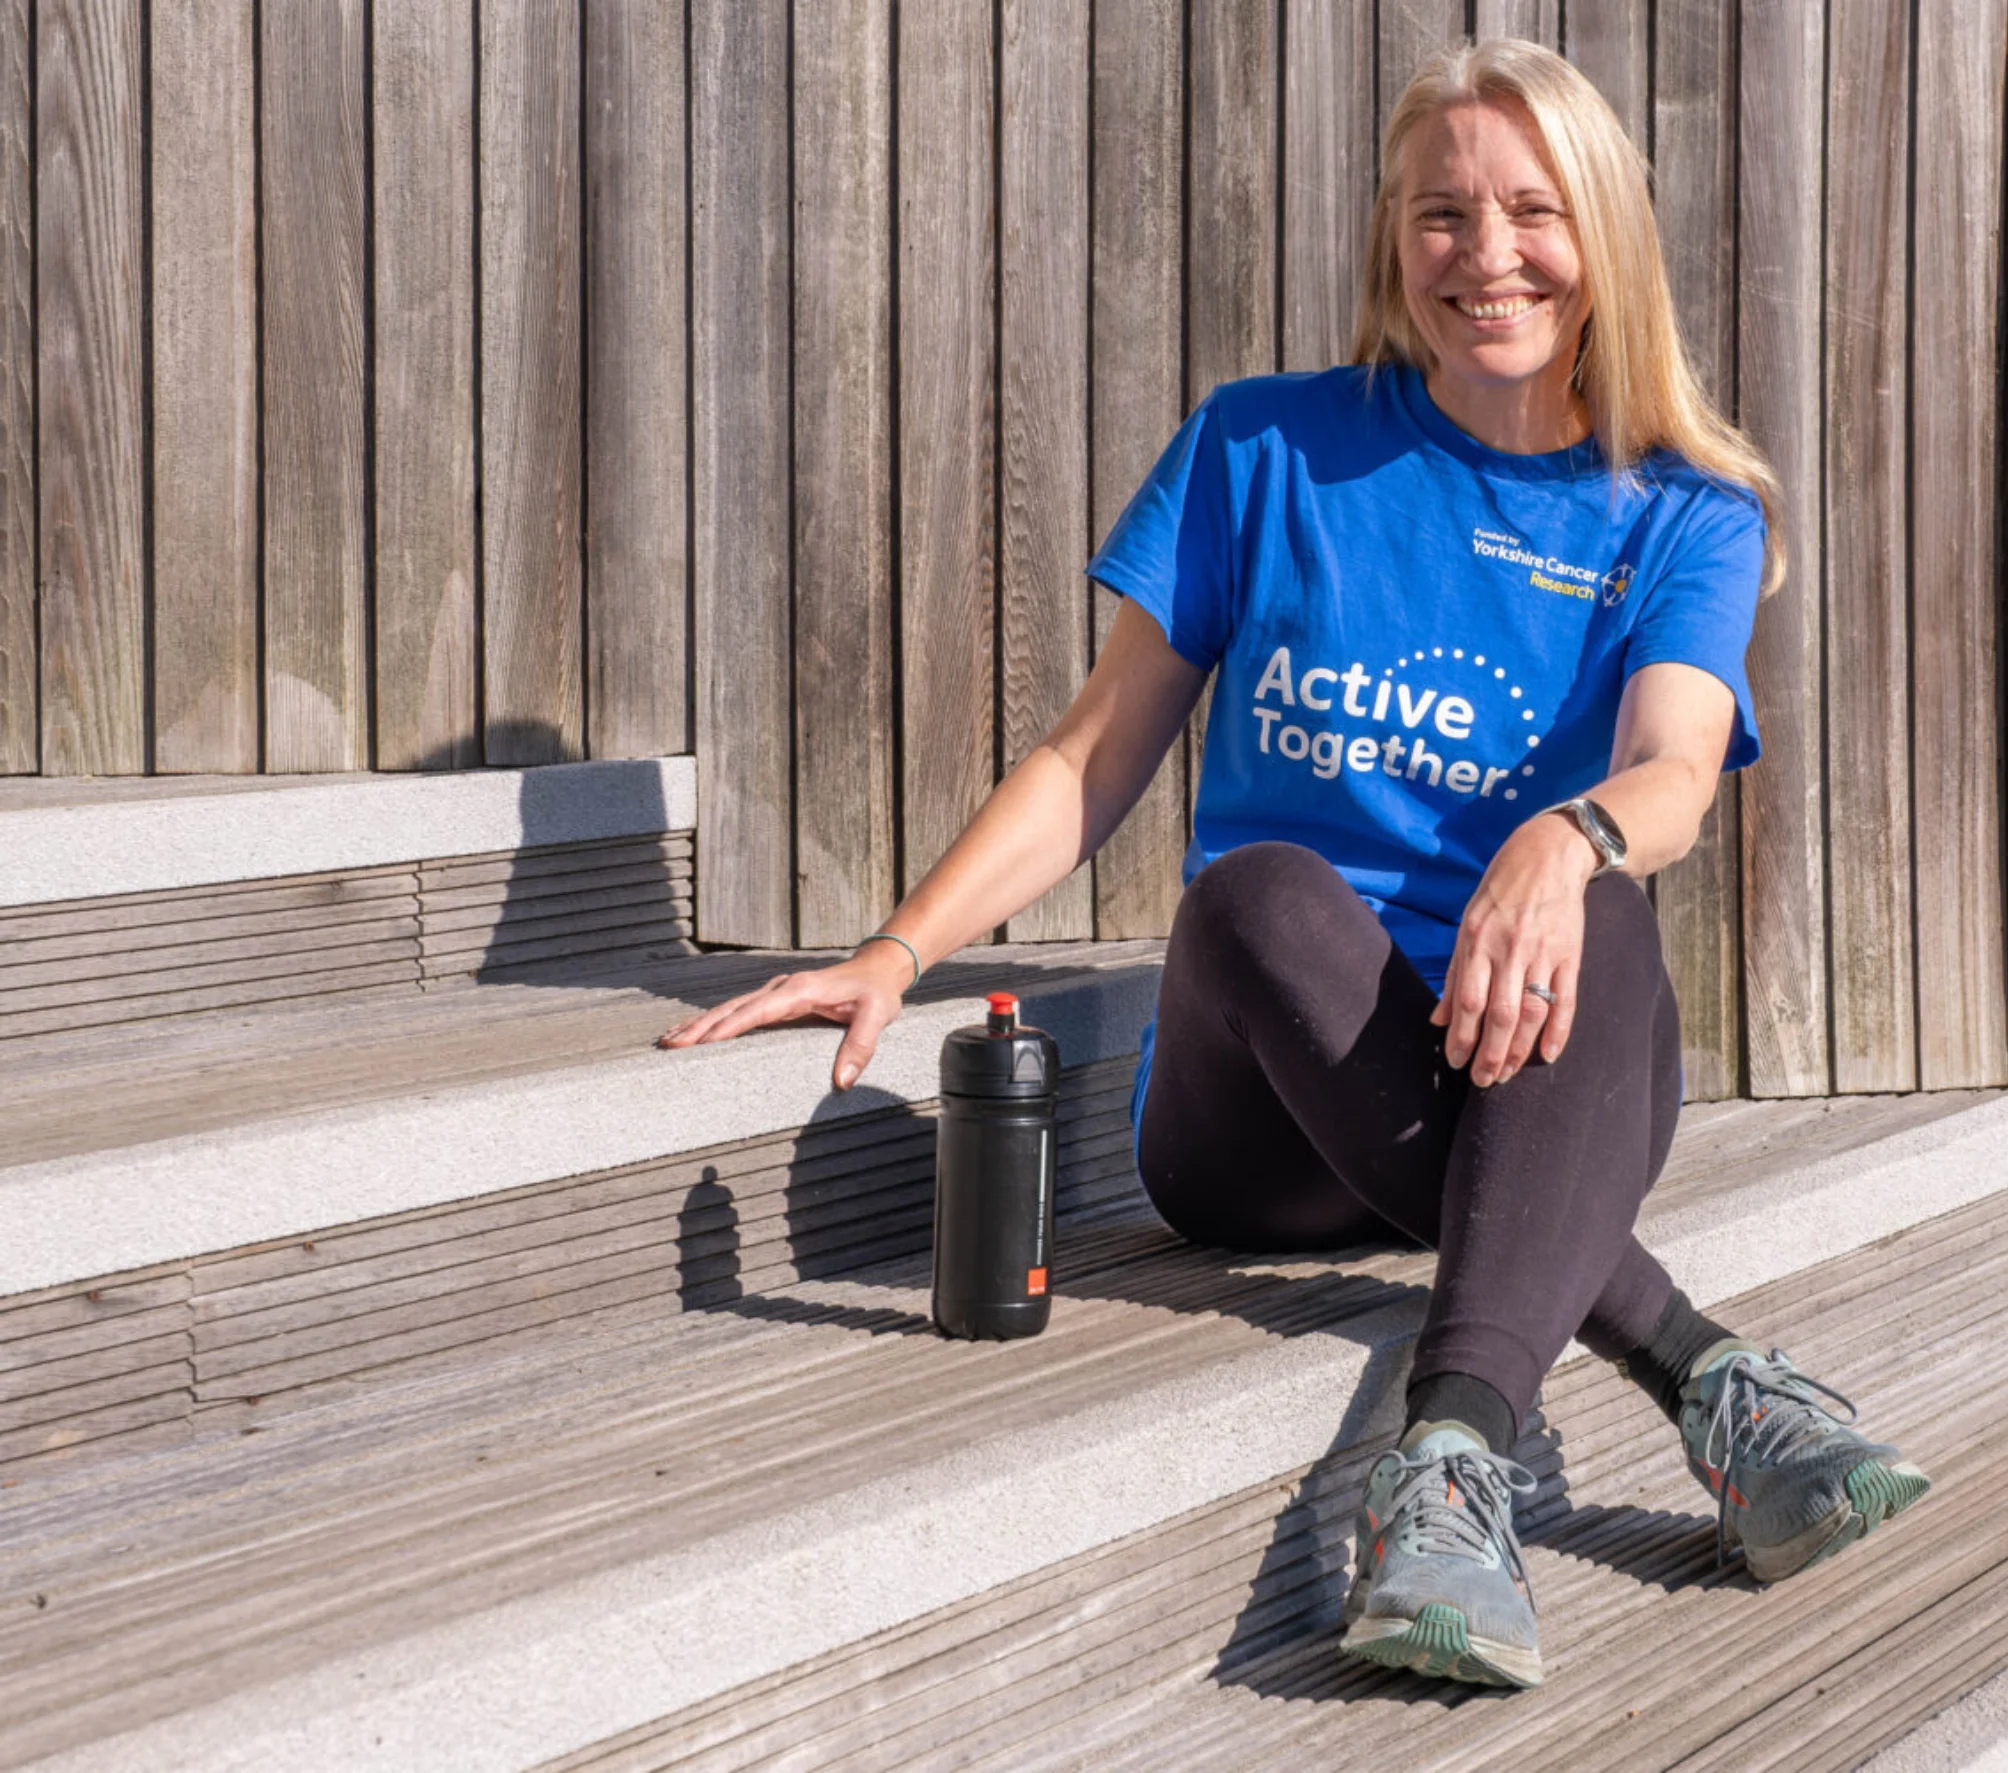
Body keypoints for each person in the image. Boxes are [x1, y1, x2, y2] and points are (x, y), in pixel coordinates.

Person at [660, 38, 1925, 1691]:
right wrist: (900, 950)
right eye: (1442, 216)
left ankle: (1452, 1455)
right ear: (1392, 242)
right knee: (1253, 892)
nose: (1487, 258)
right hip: (1261, 1115)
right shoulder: (1264, 450)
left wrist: (1571, 830)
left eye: (1532, 212)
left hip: (1519, 1068)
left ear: (1604, 231)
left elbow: (1677, 765)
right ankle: (1701, 1374)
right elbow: (1093, 749)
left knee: (1592, 892)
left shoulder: (1684, 509)